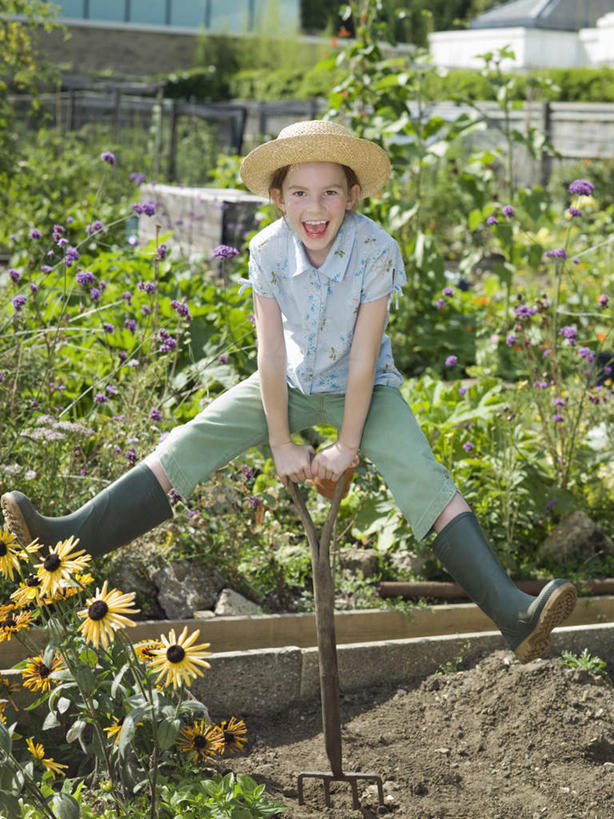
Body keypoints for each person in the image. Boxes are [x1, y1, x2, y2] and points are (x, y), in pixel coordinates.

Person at [1, 120, 576, 663]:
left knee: (420, 472)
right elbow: (271, 353)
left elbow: (365, 358)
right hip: (293, 382)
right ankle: (67, 546)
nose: (315, 207)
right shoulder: (267, 250)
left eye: (330, 193)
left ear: (353, 195)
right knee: (193, 438)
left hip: (365, 388)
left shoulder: (376, 250)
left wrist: (346, 448)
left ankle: (515, 617)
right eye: (299, 193)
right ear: (279, 199)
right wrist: (280, 441)